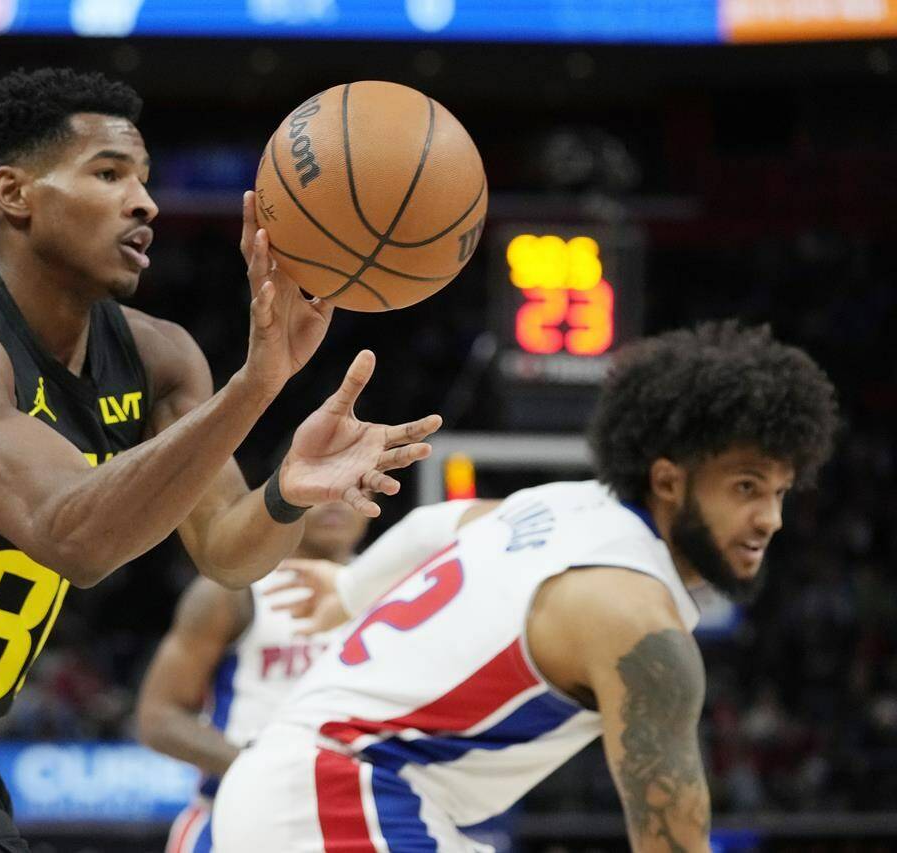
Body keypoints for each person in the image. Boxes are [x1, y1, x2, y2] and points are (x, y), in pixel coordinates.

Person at [0, 67, 441, 852]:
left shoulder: (160, 356)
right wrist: (255, 385)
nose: (145, 203)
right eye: (109, 174)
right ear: (14, 195)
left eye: (145, 179)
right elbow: (73, 539)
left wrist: (284, 493)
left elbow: (230, 552)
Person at [211, 322, 839, 853]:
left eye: (781, 492)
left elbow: (435, 524)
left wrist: (350, 592)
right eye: (747, 488)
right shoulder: (640, 621)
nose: (771, 519)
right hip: (338, 798)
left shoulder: (559, 505)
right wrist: (347, 593)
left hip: (299, 785)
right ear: (670, 481)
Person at [136, 500, 371, 853]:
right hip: (236, 822)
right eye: (325, 491)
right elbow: (158, 718)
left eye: (354, 490)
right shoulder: (234, 589)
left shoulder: (392, 592)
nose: (336, 503)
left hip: (350, 823)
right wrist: (261, 770)